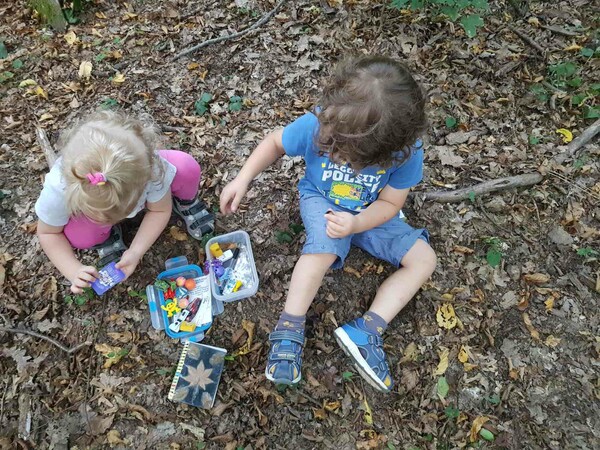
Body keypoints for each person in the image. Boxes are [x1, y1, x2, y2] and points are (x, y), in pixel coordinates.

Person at [220, 56, 437, 392]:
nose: (336, 156)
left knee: (424, 259)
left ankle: (367, 331)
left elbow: (391, 203)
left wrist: (357, 223)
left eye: (349, 157)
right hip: (322, 199)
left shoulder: (406, 152)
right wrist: (242, 178)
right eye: (334, 147)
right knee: (322, 248)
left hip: (371, 212)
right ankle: (289, 328)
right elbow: (275, 143)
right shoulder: (319, 123)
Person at [35, 111, 214, 294]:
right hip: (90, 206)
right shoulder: (59, 189)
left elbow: (159, 210)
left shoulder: (149, 170)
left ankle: (186, 203)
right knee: (82, 237)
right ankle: (104, 237)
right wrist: (73, 270)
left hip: (140, 176)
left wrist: (136, 251)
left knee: (186, 168)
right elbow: (48, 233)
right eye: (104, 218)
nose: (120, 220)